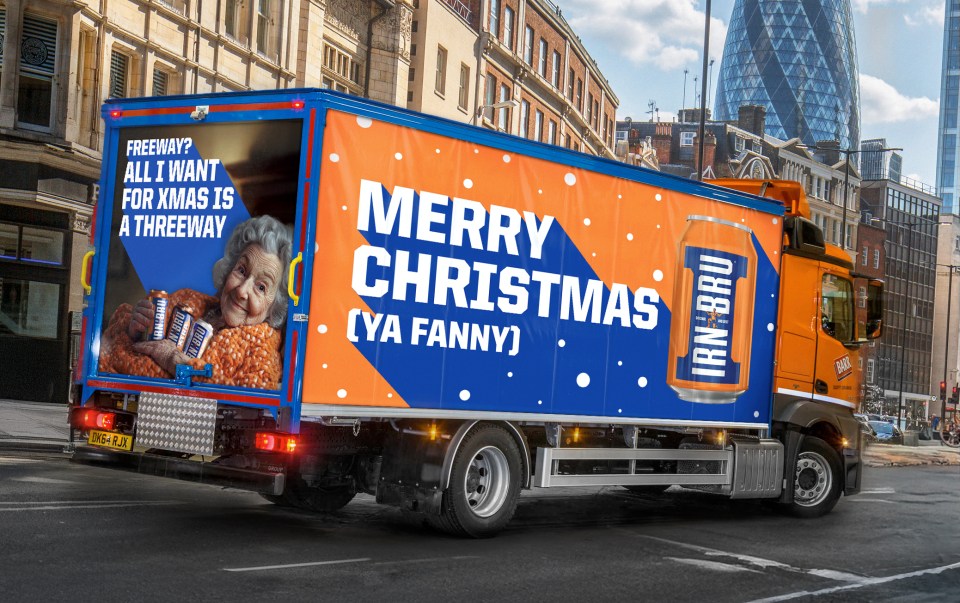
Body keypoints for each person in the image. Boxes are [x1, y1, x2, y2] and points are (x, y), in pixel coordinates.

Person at [98, 215, 293, 390]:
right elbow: (112, 346)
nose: (242, 291)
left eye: (261, 287)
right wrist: (135, 330)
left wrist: (175, 361)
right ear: (228, 269)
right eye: (241, 271)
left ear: (274, 305)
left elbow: (252, 392)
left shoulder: (262, 353)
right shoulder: (187, 299)